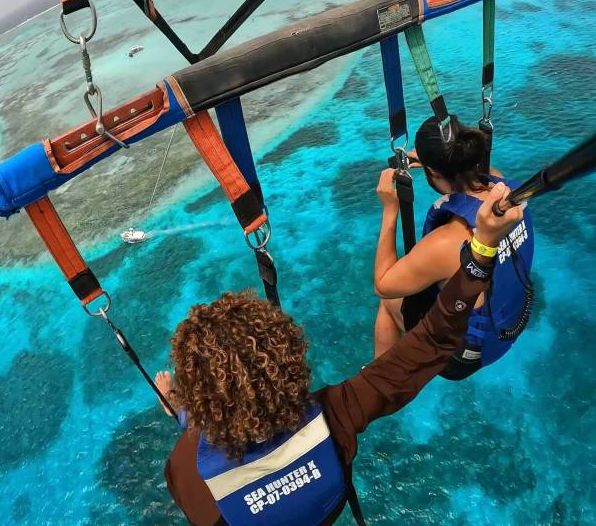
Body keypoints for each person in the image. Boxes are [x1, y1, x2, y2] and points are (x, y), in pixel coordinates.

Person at [157, 184, 522, 526]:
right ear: (288, 359)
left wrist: (182, 409)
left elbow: (208, 440)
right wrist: (481, 252)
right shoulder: (339, 412)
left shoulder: (184, 470)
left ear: (203, 400)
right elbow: (432, 340)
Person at [374, 115, 535, 379]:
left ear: (434, 172)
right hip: (509, 325)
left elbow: (382, 283)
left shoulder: (448, 241)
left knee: (388, 302)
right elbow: (478, 173)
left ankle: (379, 383)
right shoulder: (504, 189)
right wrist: (431, 161)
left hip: (463, 356)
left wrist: (390, 209)